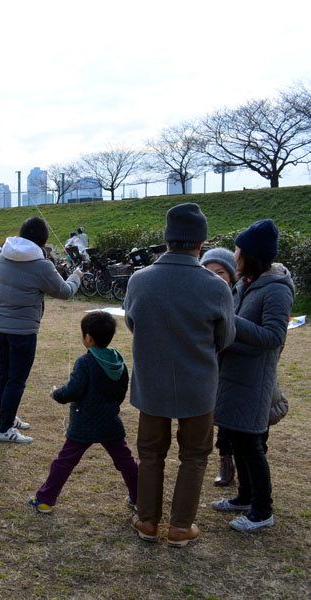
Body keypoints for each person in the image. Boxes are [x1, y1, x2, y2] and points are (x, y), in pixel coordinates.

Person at [123, 203, 235, 547]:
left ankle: (147, 522)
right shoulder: (215, 286)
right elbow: (225, 337)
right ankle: (180, 527)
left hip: (152, 383)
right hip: (198, 384)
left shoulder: (139, 281)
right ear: (201, 243)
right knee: (195, 455)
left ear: (167, 239)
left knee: (151, 453)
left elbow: (131, 323)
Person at [212, 220, 293, 533]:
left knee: (251, 445)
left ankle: (262, 510)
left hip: (253, 379)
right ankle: (243, 497)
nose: (234, 254)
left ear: (251, 254)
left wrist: (229, 321)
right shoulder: (245, 283)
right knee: (234, 438)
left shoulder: (276, 288)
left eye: (238, 249)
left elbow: (274, 336)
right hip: (231, 374)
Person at [27, 312, 138, 514]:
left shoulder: (85, 362)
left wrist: (57, 394)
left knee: (65, 461)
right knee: (126, 460)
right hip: (110, 420)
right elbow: (120, 391)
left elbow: (74, 390)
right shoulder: (118, 362)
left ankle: (44, 499)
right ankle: (140, 498)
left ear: (88, 338)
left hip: (84, 422)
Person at [0, 216, 82, 444]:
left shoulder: (3, 256)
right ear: (43, 240)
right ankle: (4, 428)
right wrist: (76, 277)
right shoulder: (41, 265)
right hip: (22, 332)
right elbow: (64, 291)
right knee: (16, 380)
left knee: (4, 375)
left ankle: (8, 418)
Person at [199, 247, 238, 487]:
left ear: (232, 275)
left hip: (239, 368)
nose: (214, 276)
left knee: (246, 429)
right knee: (221, 419)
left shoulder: (241, 296)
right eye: (207, 271)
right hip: (213, 370)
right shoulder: (199, 297)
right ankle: (226, 462)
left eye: (220, 271)